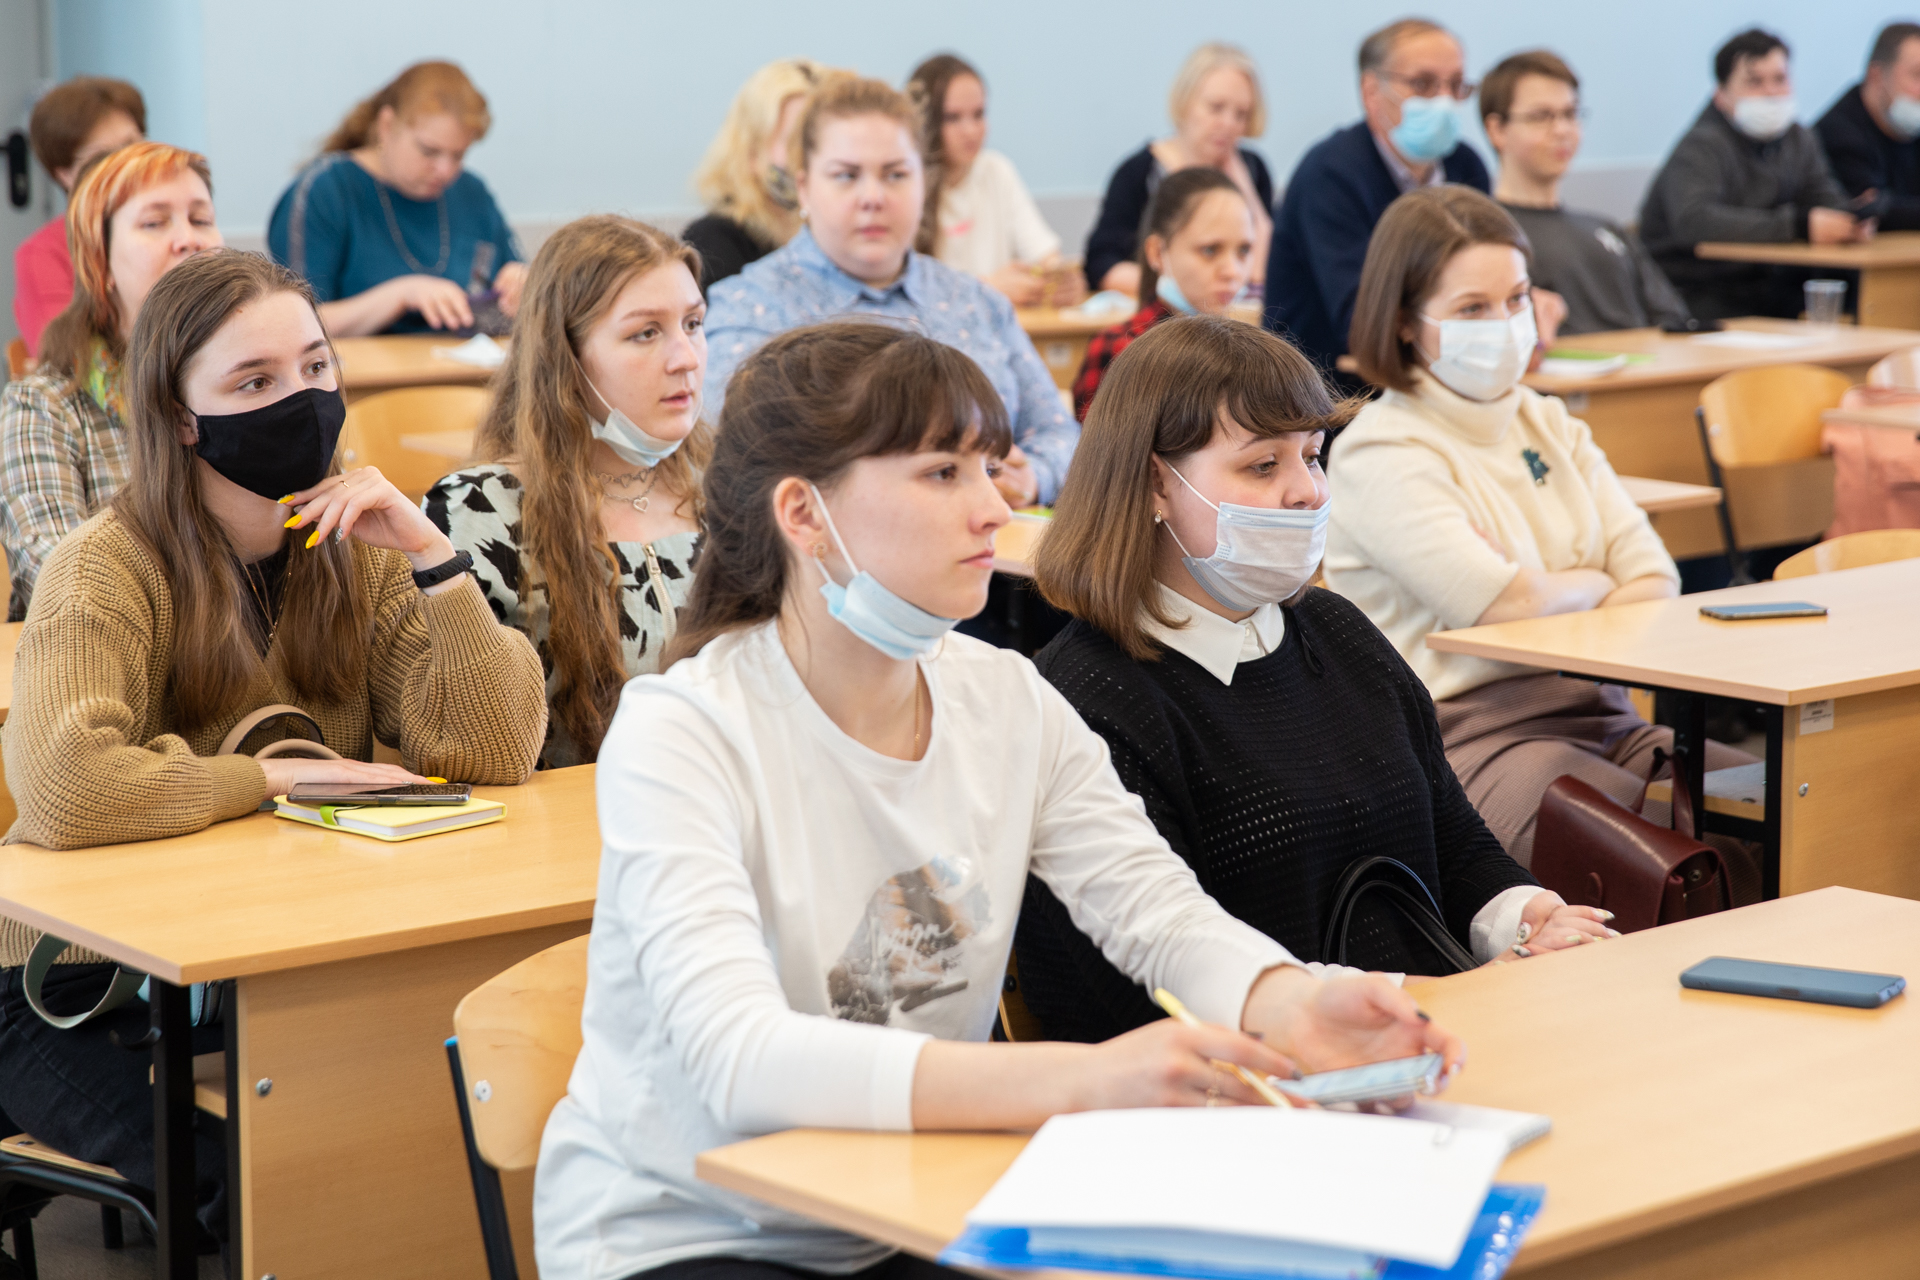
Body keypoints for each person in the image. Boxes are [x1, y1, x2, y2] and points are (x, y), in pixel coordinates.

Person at [532, 319, 1464, 1280]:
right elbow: (741, 1065)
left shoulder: (1010, 697)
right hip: (689, 1233)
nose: (994, 511)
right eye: (944, 473)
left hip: (914, 1208)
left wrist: (1293, 1001)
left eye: (992, 467)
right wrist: (1085, 1078)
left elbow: (1158, 914)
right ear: (805, 516)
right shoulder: (683, 730)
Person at [0, 248, 544, 1247]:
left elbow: (494, 747)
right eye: (254, 382)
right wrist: (269, 777)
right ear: (178, 418)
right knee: (264, 1191)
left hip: (251, 963)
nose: (299, 401)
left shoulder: (355, 554)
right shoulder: (106, 564)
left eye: (314, 368)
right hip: (66, 988)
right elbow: (67, 786)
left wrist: (435, 561)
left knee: (404, 1143)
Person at [1018, 314, 1613, 1042]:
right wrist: (1419, 994)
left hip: (1425, 1037)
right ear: (1153, 485)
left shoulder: (1340, 633)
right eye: (1263, 466)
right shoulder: (1085, 698)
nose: (1307, 492)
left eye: (1313, 456)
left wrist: (1525, 915)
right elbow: (1140, 984)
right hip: (1241, 1090)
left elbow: (1452, 841)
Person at [1324, 186, 1754, 867]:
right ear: (1406, 322)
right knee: (1678, 856)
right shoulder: (1381, 450)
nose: (1504, 323)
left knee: (1786, 805)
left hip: (1608, 718)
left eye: (1517, 298)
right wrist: (1589, 580)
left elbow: (1652, 575)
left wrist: (1547, 589)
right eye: (1472, 308)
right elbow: (1500, 606)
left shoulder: (1546, 420)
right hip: (1470, 743)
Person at [705, 76, 1075, 508]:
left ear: (924, 182)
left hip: (999, 560)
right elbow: (733, 464)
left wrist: (1032, 477)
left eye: (895, 174)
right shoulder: (749, 309)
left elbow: (1059, 433)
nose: (873, 197)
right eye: (846, 176)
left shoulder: (975, 302)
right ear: (804, 187)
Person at [426, 216, 708, 769]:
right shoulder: (479, 511)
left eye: (693, 323)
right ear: (566, 359)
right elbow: (462, 736)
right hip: (558, 832)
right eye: (645, 333)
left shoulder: (730, 486)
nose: (687, 358)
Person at [0, 142, 222, 620]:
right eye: (155, 222)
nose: (189, 239)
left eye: (201, 219)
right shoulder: (42, 404)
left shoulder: (253, 383)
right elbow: (54, 572)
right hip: (99, 657)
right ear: (100, 262)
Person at [1265, 19, 1492, 380]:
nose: (1445, 101)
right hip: (1326, 396)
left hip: (1444, 372)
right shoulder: (1330, 175)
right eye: (1423, 84)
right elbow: (1360, 320)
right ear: (1372, 92)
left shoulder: (1467, 167)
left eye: (1455, 85)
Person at [268, 60, 524, 336]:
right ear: (387, 125)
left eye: (458, 155)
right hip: (363, 377)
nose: (446, 170)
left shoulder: (472, 193)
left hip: (467, 372)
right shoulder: (323, 192)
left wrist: (524, 283)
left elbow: (518, 279)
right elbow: (294, 324)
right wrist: (401, 296)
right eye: (429, 151)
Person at [1640, 29, 1866, 322]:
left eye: (1780, 79)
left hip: (1765, 284)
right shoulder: (1702, 145)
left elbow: (1823, 195)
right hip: (1695, 290)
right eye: (1754, 82)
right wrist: (1796, 227)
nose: (1771, 92)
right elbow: (1694, 221)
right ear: (1721, 95)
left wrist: (1850, 219)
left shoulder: (1798, 138)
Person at [1481, 51, 1690, 334]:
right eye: (1542, 116)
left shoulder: (1606, 228)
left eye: (1570, 114)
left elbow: (1673, 319)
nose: (1562, 130)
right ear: (1497, 129)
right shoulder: (1487, 236)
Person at [1084, 44, 1274, 296]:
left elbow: (1268, 269)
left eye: (1241, 114)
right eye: (1216, 108)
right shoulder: (1139, 173)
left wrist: (1246, 192)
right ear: (1185, 102)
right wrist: (1178, 288)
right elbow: (1101, 264)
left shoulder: (1254, 169)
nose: (1228, 124)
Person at [1071, 168, 1254, 419]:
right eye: (1210, 250)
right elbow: (1111, 456)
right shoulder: (1121, 349)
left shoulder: (1248, 350)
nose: (1232, 271)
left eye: (1244, 250)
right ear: (1157, 253)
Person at [907, 53, 1080, 307]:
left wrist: (1061, 280)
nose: (971, 130)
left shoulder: (997, 170)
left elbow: (1044, 253)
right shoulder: (905, 183)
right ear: (924, 121)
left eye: (978, 114)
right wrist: (987, 288)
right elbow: (906, 288)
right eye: (953, 118)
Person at [12, 76, 146, 357]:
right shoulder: (41, 254)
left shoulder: (178, 229)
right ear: (65, 174)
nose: (128, 163)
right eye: (103, 156)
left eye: (133, 145)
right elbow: (68, 359)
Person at [684, 59, 831, 292]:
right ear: (750, 151)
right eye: (795, 141)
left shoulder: (845, 238)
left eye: (822, 140)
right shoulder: (714, 242)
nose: (812, 157)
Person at [1816, 23, 1920, 232]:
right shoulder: (1837, 133)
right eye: (1917, 75)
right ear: (1876, 75)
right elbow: (1872, 213)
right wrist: (1885, 207)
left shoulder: (1910, 127)